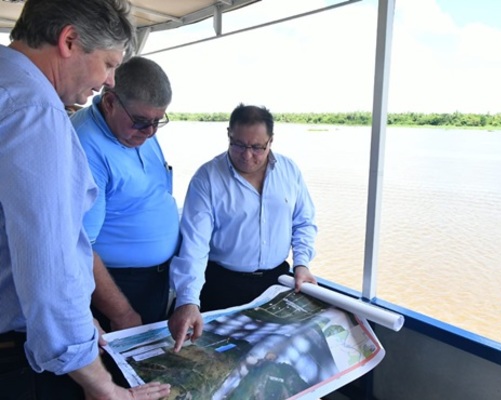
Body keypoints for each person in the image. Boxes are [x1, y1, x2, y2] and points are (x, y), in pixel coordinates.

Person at [0, 1, 170, 399]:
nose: (110, 81)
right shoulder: (36, 114)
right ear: (70, 40)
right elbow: (50, 269)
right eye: (109, 64)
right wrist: (103, 386)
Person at [168, 103, 318, 352]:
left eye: (257, 147)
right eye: (238, 145)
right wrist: (188, 299)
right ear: (228, 134)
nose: (247, 155)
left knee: (270, 359)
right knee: (215, 358)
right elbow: (195, 246)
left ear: (271, 141)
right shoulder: (207, 178)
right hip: (221, 285)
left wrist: (302, 264)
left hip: (275, 283)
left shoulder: (289, 171)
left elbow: (303, 221)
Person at [71, 56, 179, 333]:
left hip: (154, 280)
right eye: (142, 121)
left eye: (158, 121)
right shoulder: (84, 145)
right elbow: (77, 247)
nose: (150, 132)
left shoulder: (135, 131)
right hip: (116, 288)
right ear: (109, 102)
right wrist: (121, 311)